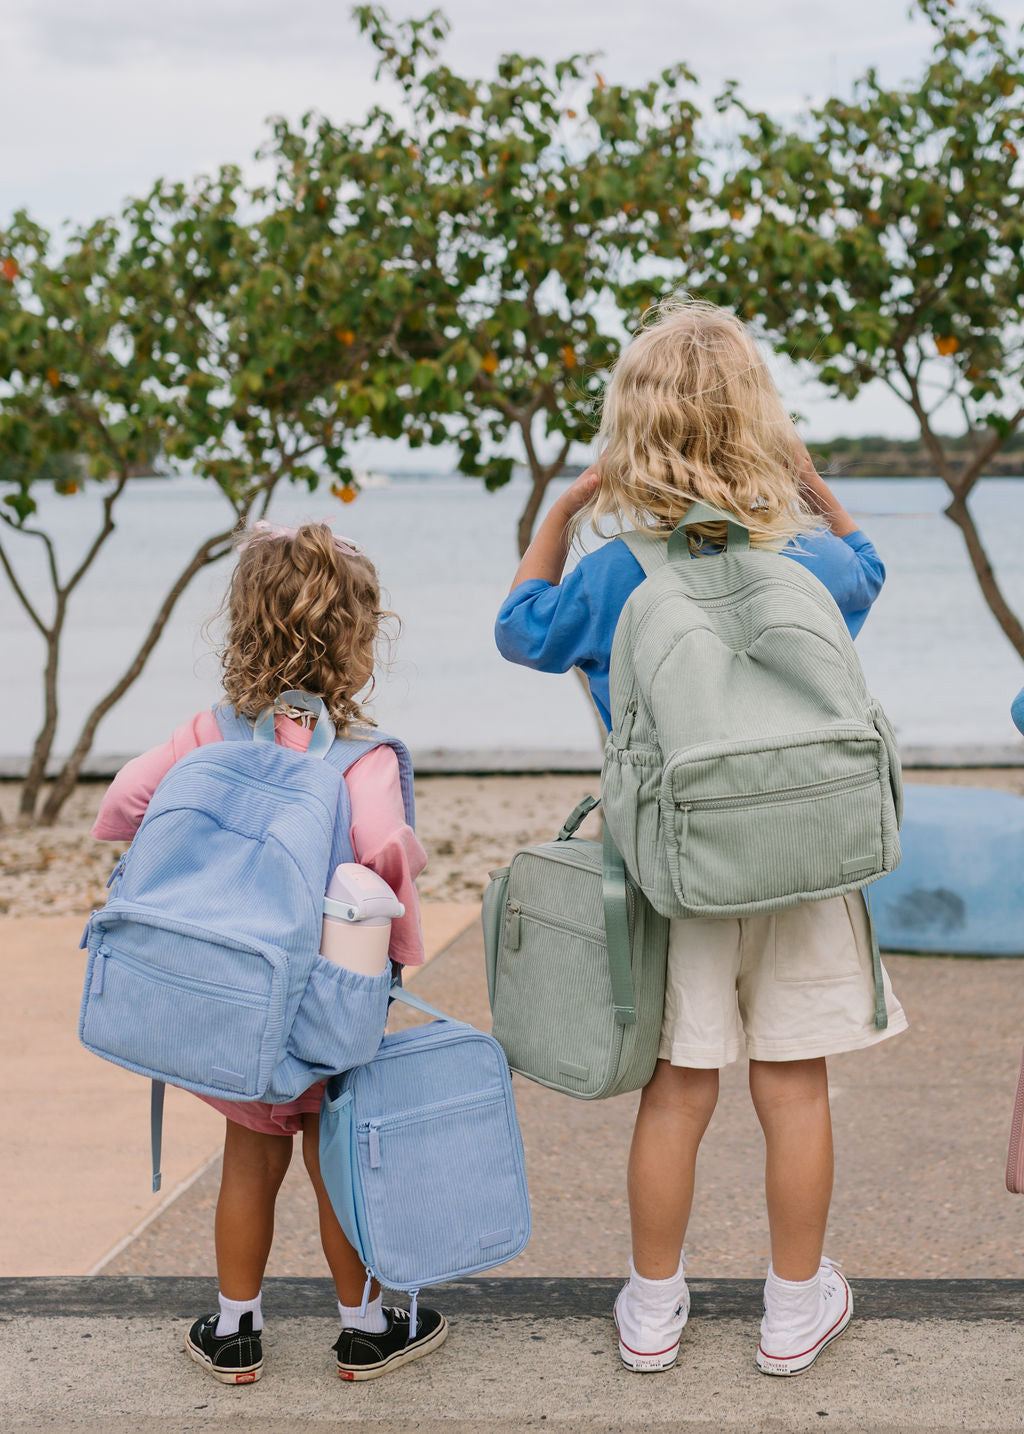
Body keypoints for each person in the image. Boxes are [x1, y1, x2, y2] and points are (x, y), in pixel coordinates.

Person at [494, 299, 908, 1377]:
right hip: (805, 854)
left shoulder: (613, 572)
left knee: (677, 1089)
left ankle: (652, 1307)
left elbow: (519, 630)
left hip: (670, 869)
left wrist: (564, 506)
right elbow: (869, 570)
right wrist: (809, 483)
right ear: (763, 422)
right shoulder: (806, 559)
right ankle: (792, 1309)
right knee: (794, 1083)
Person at [92, 521, 447, 1385]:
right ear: (358, 641)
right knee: (336, 1169)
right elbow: (383, 861)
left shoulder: (208, 734)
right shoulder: (361, 761)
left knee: (249, 1165)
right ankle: (364, 1330)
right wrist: (402, 949)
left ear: (243, 628)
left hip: (233, 1001)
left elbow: (123, 805)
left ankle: (235, 1331)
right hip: (322, 1012)